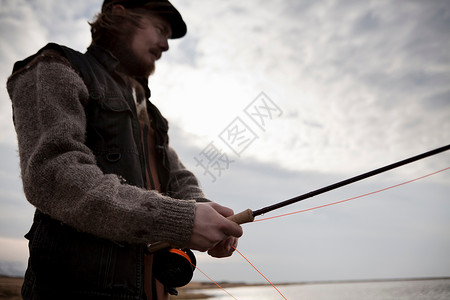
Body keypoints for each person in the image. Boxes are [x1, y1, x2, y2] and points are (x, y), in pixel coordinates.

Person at [7, 0, 243, 299]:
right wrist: (180, 220)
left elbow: (178, 177)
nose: (166, 45)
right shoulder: (55, 68)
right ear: (119, 13)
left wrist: (206, 212)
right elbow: (53, 175)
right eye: (160, 29)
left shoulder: (150, 111)